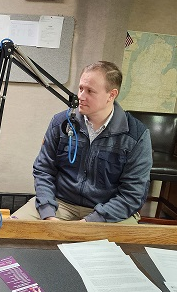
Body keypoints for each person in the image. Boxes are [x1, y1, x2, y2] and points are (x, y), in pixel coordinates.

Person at [11, 61, 152, 223]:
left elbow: (132, 194)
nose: (81, 97)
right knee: (12, 229)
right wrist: (48, 212)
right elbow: (43, 170)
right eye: (80, 89)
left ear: (111, 95)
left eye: (90, 91)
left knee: (126, 247)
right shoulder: (60, 123)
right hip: (60, 204)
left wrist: (90, 222)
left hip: (109, 211)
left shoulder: (136, 135)